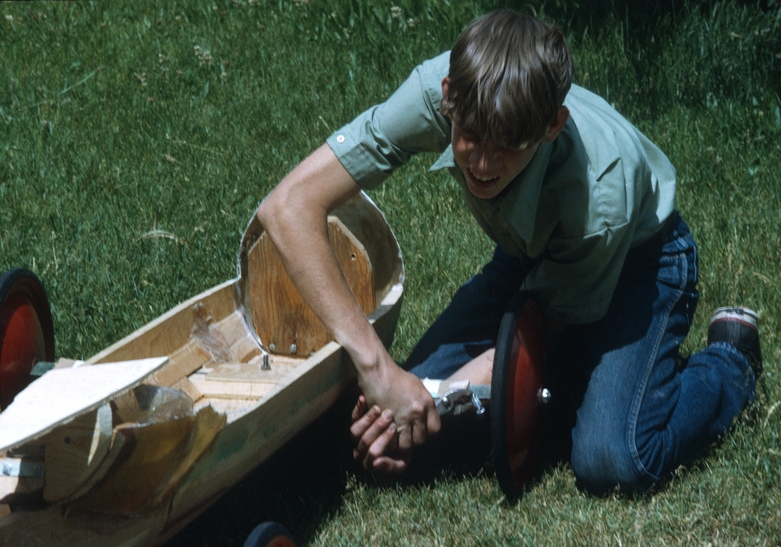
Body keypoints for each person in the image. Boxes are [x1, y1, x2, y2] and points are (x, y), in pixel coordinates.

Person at [257, 9, 761, 493]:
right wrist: (378, 369)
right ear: (448, 97)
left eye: (509, 146)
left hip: (642, 262)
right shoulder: (443, 86)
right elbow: (287, 207)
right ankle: (578, 385)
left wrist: (426, 402)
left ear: (552, 125)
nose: (482, 163)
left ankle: (729, 362)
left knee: (613, 459)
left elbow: (541, 333)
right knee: (412, 417)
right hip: (531, 256)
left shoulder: (599, 193)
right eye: (470, 137)